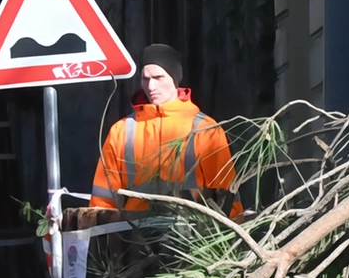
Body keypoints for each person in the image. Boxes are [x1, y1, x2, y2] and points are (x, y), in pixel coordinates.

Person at [89, 43, 241, 216]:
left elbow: (227, 194)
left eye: (158, 77)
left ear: (175, 79)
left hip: (192, 236)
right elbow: (103, 200)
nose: (151, 86)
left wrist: (234, 238)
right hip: (133, 236)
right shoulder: (122, 131)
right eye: (145, 78)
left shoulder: (205, 129)